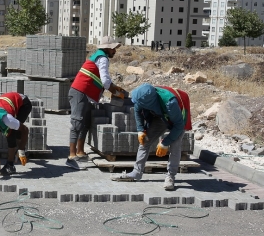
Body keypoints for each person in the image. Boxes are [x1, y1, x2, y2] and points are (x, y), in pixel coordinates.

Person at [114, 83, 192, 191]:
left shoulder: (170, 103)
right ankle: (136, 172)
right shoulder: (142, 98)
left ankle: (170, 177)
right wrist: (140, 130)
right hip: (161, 115)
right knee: (145, 141)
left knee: (175, 145)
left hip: (179, 114)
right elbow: (137, 110)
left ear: (149, 104)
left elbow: (179, 125)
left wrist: (165, 142)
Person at [65, 36, 127, 170]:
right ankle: (71, 157)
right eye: (114, 49)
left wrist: (114, 87)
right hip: (80, 92)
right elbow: (105, 81)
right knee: (77, 122)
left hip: (86, 94)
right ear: (108, 48)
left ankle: (80, 152)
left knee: (85, 123)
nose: (115, 51)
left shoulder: (98, 56)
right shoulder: (103, 58)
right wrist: (115, 92)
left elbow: (101, 78)